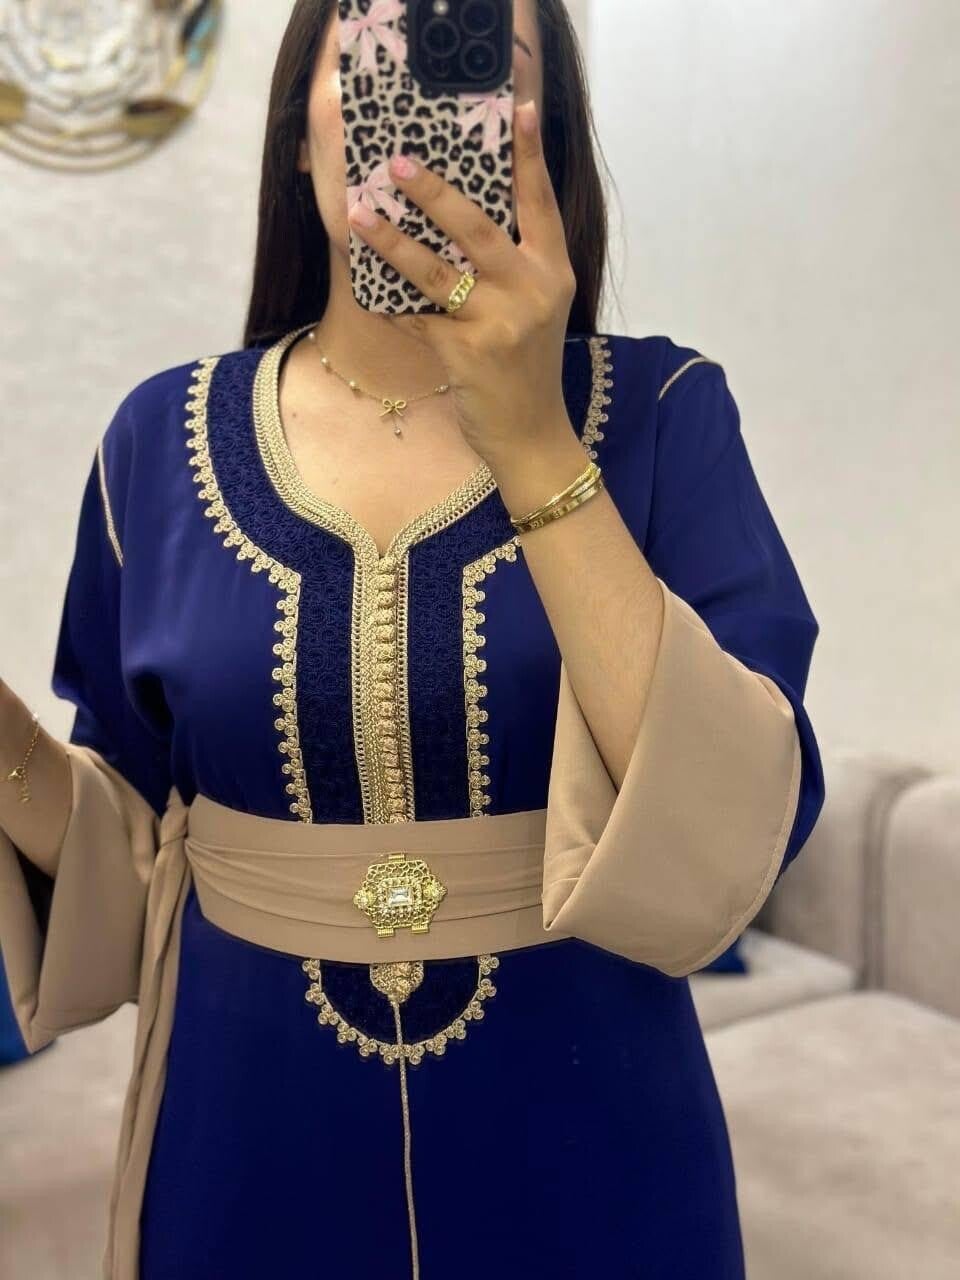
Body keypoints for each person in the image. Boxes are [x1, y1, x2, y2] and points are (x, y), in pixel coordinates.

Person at [0, 1, 825, 1276]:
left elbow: (731, 843)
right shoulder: (156, 441)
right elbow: (133, 838)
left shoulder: (666, 411)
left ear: (541, 135)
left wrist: (533, 437)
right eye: (373, 52)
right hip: (246, 1136)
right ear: (299, 128)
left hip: (593, 1136)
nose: (420, 96)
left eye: (479, 61)